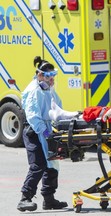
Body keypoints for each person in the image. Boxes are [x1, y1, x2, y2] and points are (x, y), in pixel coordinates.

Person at [17, 57, 68, 212]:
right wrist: (46, 132)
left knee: (52, 163)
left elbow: (58, 107)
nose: (51, 79)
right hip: (34, 131)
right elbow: (33, 117)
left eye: (53, 75)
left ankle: (49, 199)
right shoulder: (34, 91)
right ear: (39, 75)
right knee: (38, 164)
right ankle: (25, 198)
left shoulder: (48, 88)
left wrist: (69, 118)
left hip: (47, 130)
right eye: (48, 75)